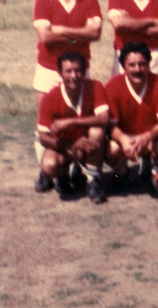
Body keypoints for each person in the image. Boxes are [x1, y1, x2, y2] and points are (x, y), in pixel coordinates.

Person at [34, 52, 109, 204]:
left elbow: (104, 118)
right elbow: (43, 138)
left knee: (97, 130)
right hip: (64, 145)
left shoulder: (95, 86)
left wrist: (70, 121)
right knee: (49, 166)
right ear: (60, 73)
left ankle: (93, 180)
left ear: (84, 71)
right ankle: (62, 176)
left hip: (85, 142)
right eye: (68, 71)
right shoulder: (51, 97)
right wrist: (73, 144)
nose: (74, 75)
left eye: (78, 70)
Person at [32, 0, 102, 111]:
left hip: (79, 70)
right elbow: (46, 37)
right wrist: (82, 34)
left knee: (81, 122)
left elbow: (95, 34)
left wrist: (60, 30)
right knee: (47, 124)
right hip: (49, 68)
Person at [105, 42, 158, 196]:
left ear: (149, 65)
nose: (137, 69)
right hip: (126, 139)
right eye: (132, 65)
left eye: (142, 64)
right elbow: (111, 125)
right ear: (123, 66)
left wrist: (146, 137)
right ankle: (121, 173)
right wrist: (123, 139)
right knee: (112, 149)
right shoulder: (113, 86)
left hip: (150, 138)